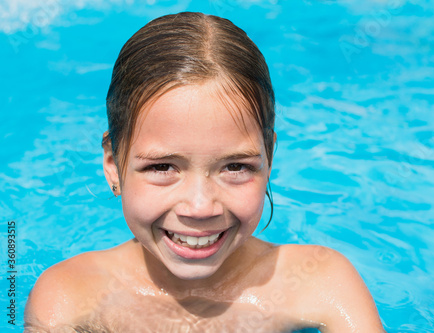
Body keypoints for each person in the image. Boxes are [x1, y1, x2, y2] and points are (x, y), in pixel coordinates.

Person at [24, 12, 385, 332]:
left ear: (269, 158)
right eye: (162, 167)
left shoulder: (319, 284)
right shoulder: (70, 298)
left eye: (235, 167)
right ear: (112, 166)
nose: (200, 207)